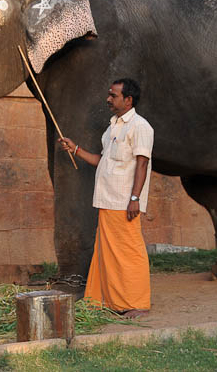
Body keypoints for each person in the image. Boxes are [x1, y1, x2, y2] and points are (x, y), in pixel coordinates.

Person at [58, 78, 154, 319]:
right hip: (107, 200)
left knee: (130, 252)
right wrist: (76, 149)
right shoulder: (112, 127)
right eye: (109, 95)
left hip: (125, 202)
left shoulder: (140, 127)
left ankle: (138, 303)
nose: (108, 99)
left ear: (128, 100)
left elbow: (142, 164)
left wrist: (135, 198)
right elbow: (103, 161)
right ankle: (108, 299)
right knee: (108, 253)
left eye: (114, 95)